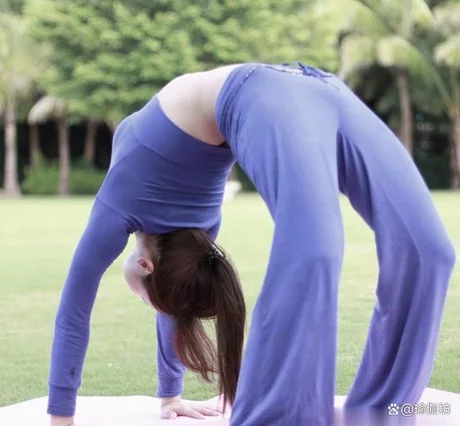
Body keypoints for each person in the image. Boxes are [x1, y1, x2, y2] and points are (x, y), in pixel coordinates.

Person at [47, 62, 456, 426]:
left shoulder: (117, 209)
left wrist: (60, 419)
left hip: (259, 91)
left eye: (149, 301)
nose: (151, 305)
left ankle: (276, 418)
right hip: (314, 86)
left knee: (319, 250)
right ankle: (380, 413)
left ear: (147, 268)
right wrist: (170, 396)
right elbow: (175, 300)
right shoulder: (196, 237)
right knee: (430, 250)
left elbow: (73, 315)